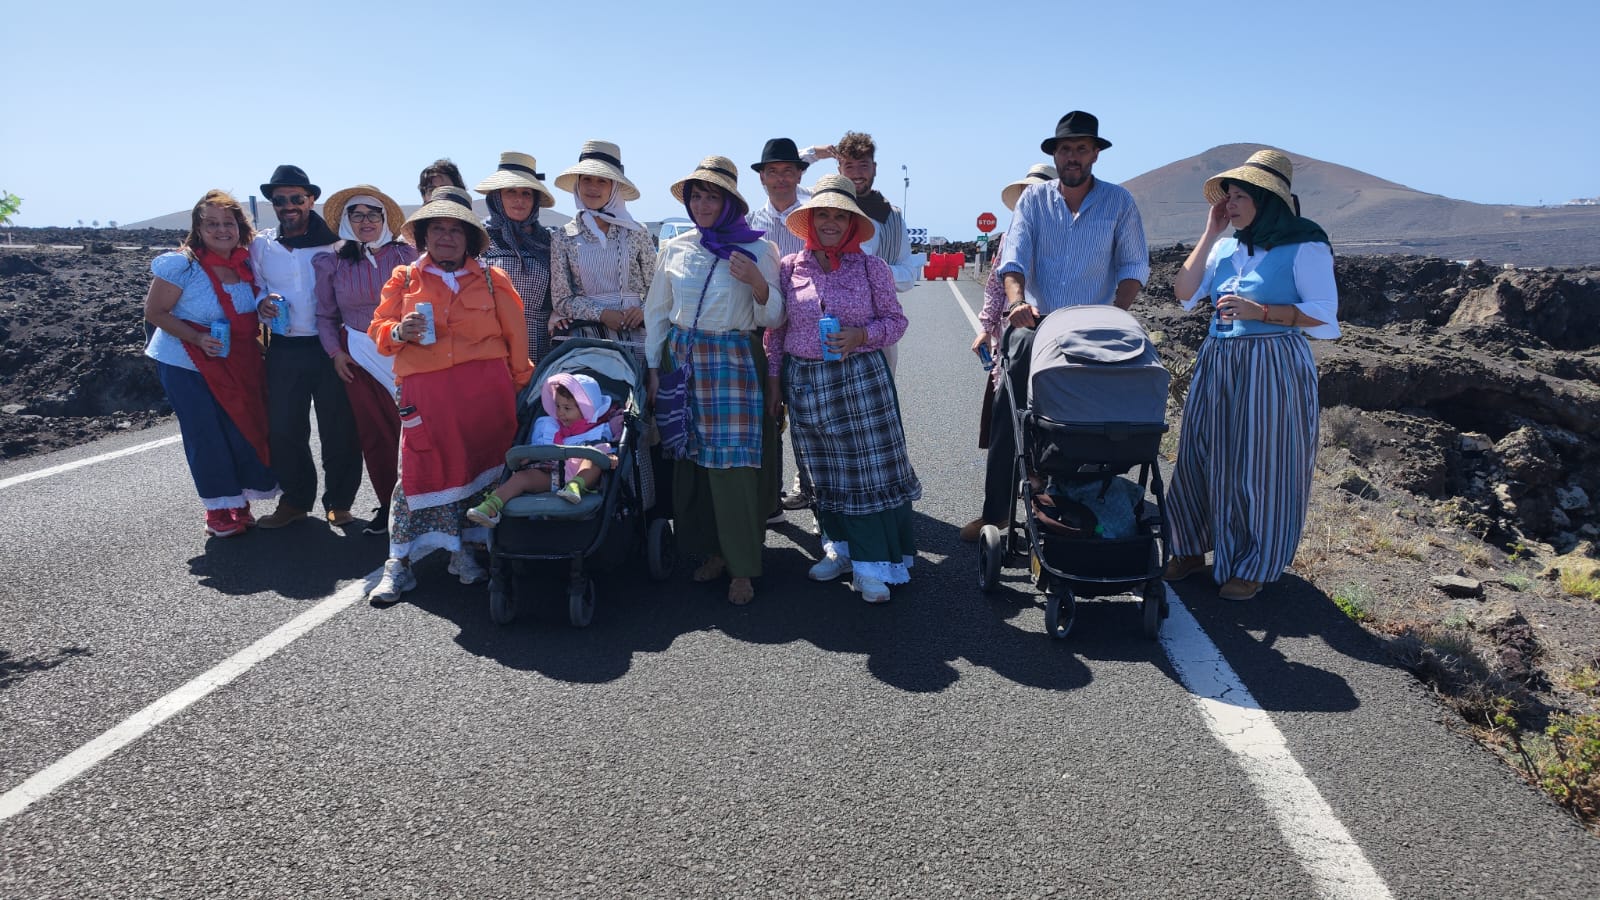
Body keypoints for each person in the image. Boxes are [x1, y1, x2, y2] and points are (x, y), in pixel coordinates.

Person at [961, 112, 1150, 542]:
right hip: (1040, 321)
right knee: (1010, 399)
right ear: (1055, 154)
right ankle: (997, 515)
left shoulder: (1119, 202)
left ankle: (1091, 495)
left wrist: (1118, 312)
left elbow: (1134, 265)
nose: (1073, 156)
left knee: (1110, 401)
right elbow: (1014, 261)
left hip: (1097, 326)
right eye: (1066, 149)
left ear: (1095, 153)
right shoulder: (1034, 201)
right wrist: (1016, 303)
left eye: (1082, 148)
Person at [1164, 149, 1340, 601]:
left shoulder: (1306, 246)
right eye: (1228, 196)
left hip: (1273, 363)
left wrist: (1262, 311)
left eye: (1241, 195)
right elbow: (1184, 293)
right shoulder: (1225, 247)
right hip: (1218, 359)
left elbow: (1325, 316)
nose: (1231, 204)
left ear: (1268, 199)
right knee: (1198, 452)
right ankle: (1188, 548)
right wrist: (1209, 233)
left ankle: (1254, 564)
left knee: (1263, 465)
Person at [365, 187, 532, 604]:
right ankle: (399, 565)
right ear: (423, 235)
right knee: (418, 474)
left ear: (470, 238)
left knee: (481, 472)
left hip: (486, 397)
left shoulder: (494, 281)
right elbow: (378, 330)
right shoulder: (404, 279)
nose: (446, 236)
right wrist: (398, 332)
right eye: (437, 228)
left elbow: (517, 339)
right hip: (428, 396)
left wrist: (518, 390)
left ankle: (466, 553)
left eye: (456, 230)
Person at [765, 175, 918, 604]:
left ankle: (872, 567)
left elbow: (896, 322)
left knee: (866, 473)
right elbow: (775, 333)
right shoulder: (790, 267)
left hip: (861, 381)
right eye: (823, 215)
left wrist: (860, 336)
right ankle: (840, 550)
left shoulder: (872, 268)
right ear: (810, 220)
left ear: (852, 223)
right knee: (823, 472)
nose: (831, 223)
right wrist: (775, 381)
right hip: (805, 382)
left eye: (839, 215)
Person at [644, 156, 783, 606]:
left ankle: (743, 564)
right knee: (694, 462)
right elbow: (658, 313)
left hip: (733, 359)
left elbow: (775, 316)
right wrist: (652, 369)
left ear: (730, 203)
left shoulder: (760, 250)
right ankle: (713, 551)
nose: (703, 204)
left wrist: (759, 284)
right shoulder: (676, 247)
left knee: (735, 465)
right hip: (682, 358)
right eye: (697, 195)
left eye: (712, 196)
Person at [142, 190, 280, 536]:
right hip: (187, 362)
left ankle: (240, 501)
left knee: (241, 428)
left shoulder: (248, 263)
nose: (221, 230)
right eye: (212, 224)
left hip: (237, 360)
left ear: (240, 226)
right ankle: (218, 510)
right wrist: (197, 338)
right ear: (198, 229)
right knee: (206, 434)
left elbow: (254, 306)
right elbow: (155, 312)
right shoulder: (183, 265)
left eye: (228, 223)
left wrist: (264, 309)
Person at [250, 164, 362, 528]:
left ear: (311, 199)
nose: (289, 205)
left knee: (339, 427)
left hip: (331, 346)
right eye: (280, 200)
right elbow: (255, 286)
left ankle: (339, 501)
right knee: (284, 427)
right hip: (285, 346)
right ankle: (296, 501)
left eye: (297, 198)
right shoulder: (262, 245)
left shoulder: (337, 242)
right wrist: (262, 304)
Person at [313, 184, 418, 535]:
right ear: (347, 222)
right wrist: (336, 353)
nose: (365, 221)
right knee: (375, 434)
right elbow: (325, 314)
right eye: (356, 215)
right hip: (357, 356)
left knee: (415, 429)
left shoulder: (407, 256)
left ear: (385, 218)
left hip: (404, 353)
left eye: (373, 214)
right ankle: (390, 504)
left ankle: (426, 500)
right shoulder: (333, 262)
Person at [746, 137, 813, 520]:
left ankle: (816, 494)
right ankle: (770, 500)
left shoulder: (814, 217)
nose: (781, 179)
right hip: (763, 330)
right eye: (773, 172)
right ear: (763, 178)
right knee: (767, 416)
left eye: (788, 171)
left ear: (799, 174)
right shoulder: (750, 224)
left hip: (807, 329)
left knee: (810, 417)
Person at [467, 373, 620, 526]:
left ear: (587, 408)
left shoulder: (602, 428)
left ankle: (575, 486)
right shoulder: (547, 426)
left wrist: (609, 456)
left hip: (583, 477)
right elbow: (536, 449)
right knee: (520, 478)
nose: (560, 413)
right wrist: (528, 457)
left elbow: (612, 447)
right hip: (549, 476)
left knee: (593, 458)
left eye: (567, 408)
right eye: (558, 406)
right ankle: (491, 506)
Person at [550, 140, 655, 356]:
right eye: (586, 179)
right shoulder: (563, 236)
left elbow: (658, 287)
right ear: (577, 184)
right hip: (586, 337)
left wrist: (643, 311)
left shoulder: (637, 232)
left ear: (614, 187)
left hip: (637, 336)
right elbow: (561, 299)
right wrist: (603, 314)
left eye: (602, 181)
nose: (593, 187)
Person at [476, 151, 557, 367]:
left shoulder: (549, 241)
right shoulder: (479, 239)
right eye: (510, 191)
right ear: (497, 196)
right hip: (491, 343)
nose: (519, 200)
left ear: (535, 199)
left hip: (539, 345)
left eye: (526, 193)